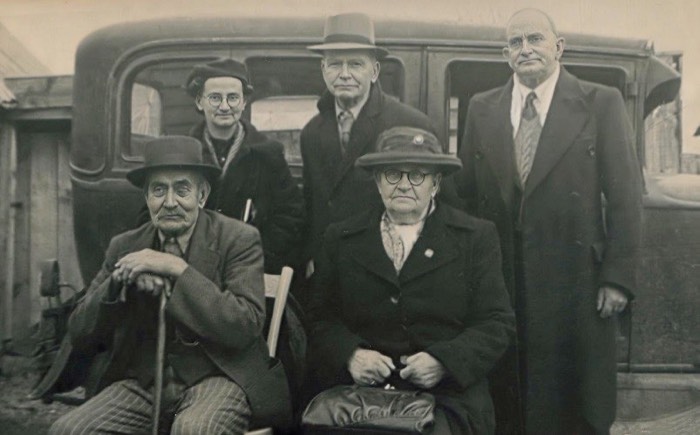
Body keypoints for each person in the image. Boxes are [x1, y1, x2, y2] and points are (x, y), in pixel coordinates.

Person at [455, 8, 642, 434]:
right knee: (509, 390)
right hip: (503, 276)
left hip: (577, 279)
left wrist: (617, 278)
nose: (525, 49)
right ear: (505, 54)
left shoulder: (600, 102)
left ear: (559, 47)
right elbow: (464, 195)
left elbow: (626, 196)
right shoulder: (482, 107)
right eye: (515, 42)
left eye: (535, 39)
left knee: (576, 399)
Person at [49, 136, 291, 434]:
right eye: (159, 190)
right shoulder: (126, 246)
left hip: (219, 378)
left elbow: (245, 325)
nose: (170, 202)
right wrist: (118, 280)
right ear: (146, 197)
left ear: (202, 195)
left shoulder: (238, 239)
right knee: (68, 430)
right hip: (144, 384)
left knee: (194, 430)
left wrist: (178, 270)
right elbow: (79, 331)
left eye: (182, 189)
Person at [307, 127, 515, 434]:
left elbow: (496, 323)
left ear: (436, 183)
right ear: (377, 181)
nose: (404, 185)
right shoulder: (341, 237)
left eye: (417, 175)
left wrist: (444, 362)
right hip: (357, 396)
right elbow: (319, 317)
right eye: (392, 174)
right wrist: (350, 355)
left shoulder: (475, 237)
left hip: (445, 396)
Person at [301, 12, 437, 271]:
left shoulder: (409, 124)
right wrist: (311, 258)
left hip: (387, 268)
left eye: (355, 64)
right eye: (335, 64)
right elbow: (312, 206)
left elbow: (435, 205)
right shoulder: (312, 131)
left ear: (374, 71)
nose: (344, 74)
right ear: (323, 69)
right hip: (330, 266)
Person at [184, 58, 304, 274]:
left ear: (244, 102)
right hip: (192, 267)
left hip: (250, 268)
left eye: (233, 98)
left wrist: (255, 255)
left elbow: (290, 215)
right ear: (199, 102)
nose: (224, 107)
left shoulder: (268, 155)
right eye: (215, 98)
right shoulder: (183, 154)